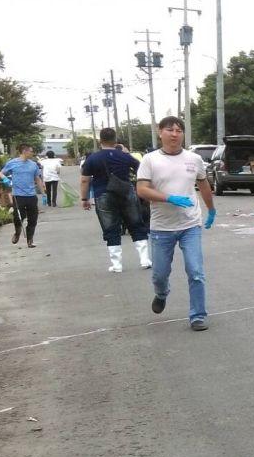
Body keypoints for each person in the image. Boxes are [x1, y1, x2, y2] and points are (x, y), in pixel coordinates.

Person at [135, 117, 216, 332]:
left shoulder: (194, 159)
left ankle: (198, 315)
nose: (174, 134)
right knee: (160, 274)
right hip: (162, 226)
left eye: (179, 130)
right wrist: (169, 198)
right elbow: (142, 189)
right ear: (160, 132)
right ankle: (161, 293)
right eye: (169, 130)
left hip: (190, 224)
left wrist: (211, 208)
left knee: (195, 271)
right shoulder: (150, 160)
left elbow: (203, 183)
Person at [80, 128, 150, 273]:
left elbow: (85, 181)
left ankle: (117, 265)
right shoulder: (124, 156)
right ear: (115, 140)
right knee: (136, 224)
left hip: (103, 195)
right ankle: (144, 259)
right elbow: (141, 168)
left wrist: (84, 198)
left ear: (100, 141)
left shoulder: (92, 158)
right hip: (126, 192)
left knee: (110, 228)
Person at [0, 144, 47, 248]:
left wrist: (43, 194)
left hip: (31, 195)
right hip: (18, 195)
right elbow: (1, 173)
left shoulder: (33, 164)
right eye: (31, 151)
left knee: (33, 219)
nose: (32, 153)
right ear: (24, 151)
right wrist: (6, 179)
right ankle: (17, 232)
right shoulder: (12, 163)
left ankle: (30, 240)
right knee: (18, 217)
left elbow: (37, 179)